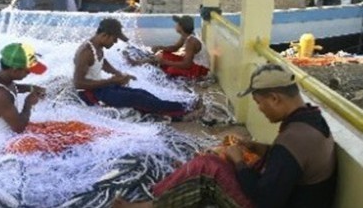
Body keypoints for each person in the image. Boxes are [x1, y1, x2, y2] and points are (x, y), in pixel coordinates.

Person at [114, 63, 336, 208]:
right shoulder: (310, 119)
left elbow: (265, 200)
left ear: (276, 99)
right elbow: (290, 162)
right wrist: (261, 148)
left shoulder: (294, 139)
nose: (260, 110)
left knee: (207, 169)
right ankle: (161, 197)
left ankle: (149, 206)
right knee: (216, 160)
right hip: (290, 195)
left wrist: (239, 161)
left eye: (260, 104)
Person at [73, 18, 203, 121]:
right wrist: (112, 81)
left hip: (101, 88)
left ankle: (185, 105)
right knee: (139, 99)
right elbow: (78, 83)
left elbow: (101, 61)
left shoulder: (97, 45)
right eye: (114, 39)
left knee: (140, 92)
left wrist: (118, 74)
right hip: (91, 95)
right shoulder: (86, 52)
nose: (115, 43)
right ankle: (184, 110)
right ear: (105, 35)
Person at [0, 42, 47, 140]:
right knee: (65, 142)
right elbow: (19, 128)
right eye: (28, 71)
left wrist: (31, 88)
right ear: (15, 71)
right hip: (6, 146)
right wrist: (28, 104)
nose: (29, 74)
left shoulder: (2, 77)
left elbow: (12, 87)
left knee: (73, 128)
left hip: (15, 137)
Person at [126, 15, 210, 79]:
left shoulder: (191, 41)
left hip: (200, 69)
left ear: (181, 27)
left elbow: (187, 65)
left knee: (171, 69)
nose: (175, 26)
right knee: (163, 54)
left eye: (177, 24)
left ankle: (143, 63)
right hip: (191, 62)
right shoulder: (186, 36)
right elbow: (175, 48)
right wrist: (160, 47)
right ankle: (138, 62)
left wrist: (165, 62)